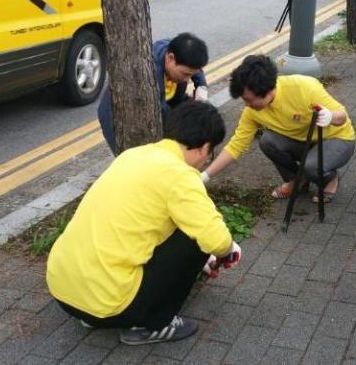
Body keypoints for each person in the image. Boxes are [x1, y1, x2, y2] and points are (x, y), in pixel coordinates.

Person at [46, 101, 241, 345]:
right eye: (210, 153)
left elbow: (140, 225)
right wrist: (227, 251)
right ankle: (150, 326)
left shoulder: (133, 155)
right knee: (195, 239)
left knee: (184, 225)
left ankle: (93, 315)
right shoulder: (180, 176)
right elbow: (217, 239)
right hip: (111, 304)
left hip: (64, 294)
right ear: (204, 148)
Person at [201, 55, 355, 203]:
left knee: (311, 166)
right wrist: (205, 176)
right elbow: (235, 147)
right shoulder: (252, 112)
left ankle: (329, 179)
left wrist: (330, 117)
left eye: (249, 100)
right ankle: (298, 180)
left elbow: (342, 117)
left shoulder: (303, 87)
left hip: (336, 139)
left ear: (267, 92)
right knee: (267, 141)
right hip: (303, 141)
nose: (246, 105)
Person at [98, 33, 210, 153]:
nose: (187, 79)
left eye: (191, 75)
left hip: (165, 100)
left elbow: (194, 67)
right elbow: (163, 115)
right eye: (185, 74)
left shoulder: (173, 49)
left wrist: (201, 86)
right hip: (118, 117)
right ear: (170, 58)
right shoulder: (149, 76)